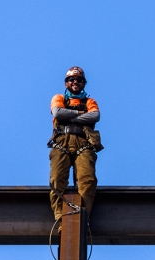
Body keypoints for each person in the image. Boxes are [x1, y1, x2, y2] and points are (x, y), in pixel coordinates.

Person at [48, 66, 100, 224]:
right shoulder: (59, 98)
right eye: (72, 80)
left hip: (83, 142)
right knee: (57, 179)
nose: (75, 82)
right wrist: (81, 115)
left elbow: (95, 116)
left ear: (84, 83)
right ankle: (59, 217)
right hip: (62, 141)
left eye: (79, 80)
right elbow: (58, 113)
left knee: (87, 180)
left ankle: (83, 217)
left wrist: (69, 116)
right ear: (66, 83)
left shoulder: (90, 101)